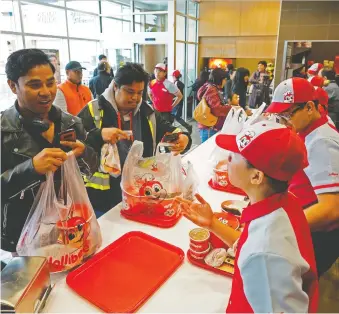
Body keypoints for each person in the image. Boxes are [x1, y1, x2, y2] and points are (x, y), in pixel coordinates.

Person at [177, 121, 318, 313]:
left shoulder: (265, 251)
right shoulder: (285, 202)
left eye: (234, 156)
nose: (227, 158)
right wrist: (212, 224)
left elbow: (260, 254)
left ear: (256, 177)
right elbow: (248, 245)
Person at [1, 49, 98, 253]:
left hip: (72, 226)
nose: (46, 92)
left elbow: (91, 171)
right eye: (34, 85)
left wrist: (85, 153)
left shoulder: (71, 122)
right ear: (12, 85)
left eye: (50, 82)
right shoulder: (4, 130)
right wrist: (31, 168)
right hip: (25, 234)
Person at [78, 63, 192, 215]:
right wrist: (99, 135)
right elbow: (74, 145)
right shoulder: (94, 111)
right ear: (115, 87)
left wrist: (184, 138)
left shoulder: (147, 112)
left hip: (140, 191)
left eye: (139, 92)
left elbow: (169, 129)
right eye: (130, 92)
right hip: (103, 198)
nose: (135, 98)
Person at [265, 77, 339, 277]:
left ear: (308, 107)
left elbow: (331, 209)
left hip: (318, 235)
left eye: (287, 114)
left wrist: (282, 225)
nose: (284, 122)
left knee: (296, 287)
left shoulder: (321, 141)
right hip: (305, 217)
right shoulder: (314, 122)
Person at [197, 68, 231, 143]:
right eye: (224, 79)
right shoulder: (212, 89)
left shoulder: (208, 86)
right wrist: (231, 107)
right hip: (210, 127)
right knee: (209, 152)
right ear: (220, 79)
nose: (225, 82)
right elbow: (217, 109)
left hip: (208, 126)